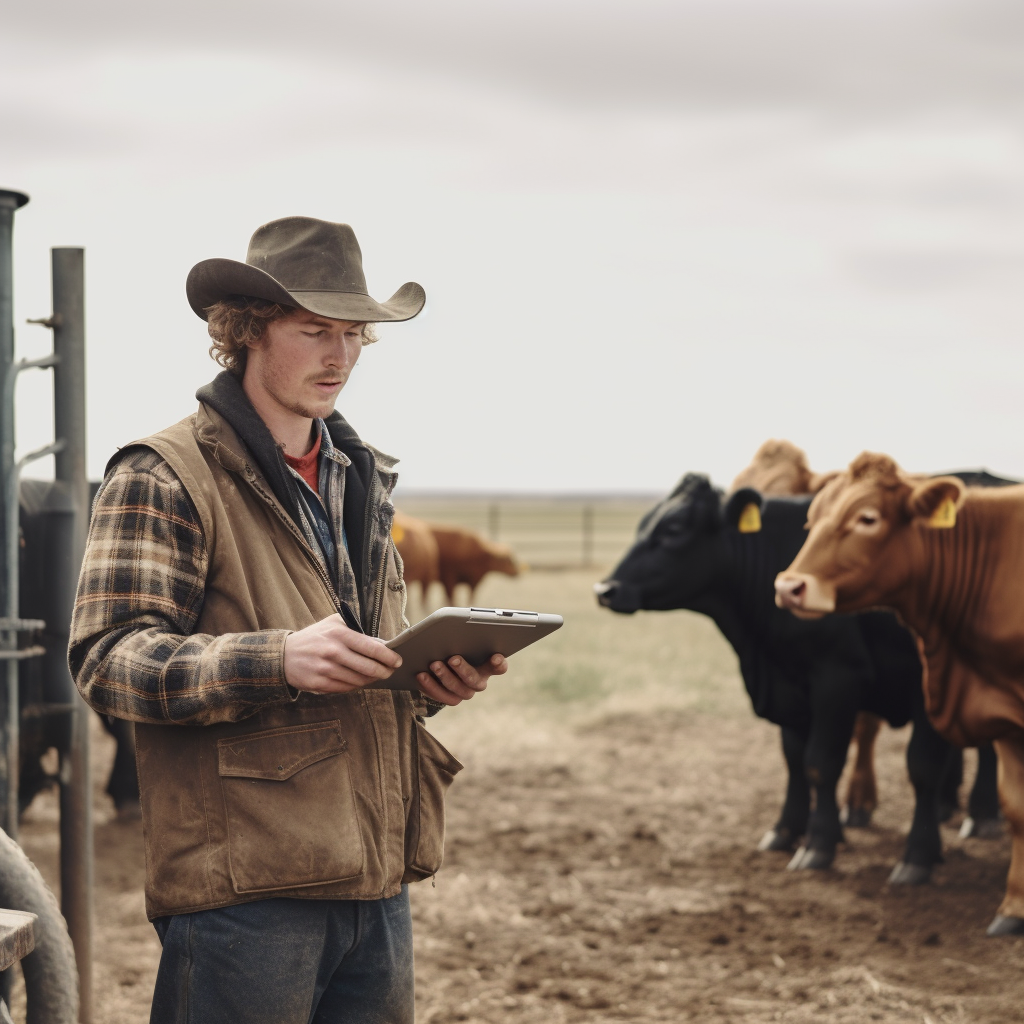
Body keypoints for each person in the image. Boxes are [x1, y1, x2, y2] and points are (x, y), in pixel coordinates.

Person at [68, 216, 507, 1023]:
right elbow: (106, 659)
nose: (339, 356)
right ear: (244, 331)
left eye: (353, 334)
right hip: (244, 888)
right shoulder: (163, 474)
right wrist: (275, 660)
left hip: (377, 875)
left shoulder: (361, 474)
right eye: (314, 331)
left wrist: (431, 679)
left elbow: (367, 664)